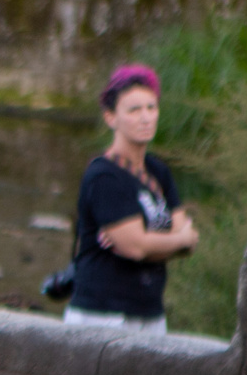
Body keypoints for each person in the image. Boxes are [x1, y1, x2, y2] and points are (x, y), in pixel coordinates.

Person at [65, 64, 197, 332]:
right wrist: (170, 241)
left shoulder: (158, 171)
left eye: (151, 107)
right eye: (134, 110)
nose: (146, 117)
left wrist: (158, 242)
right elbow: (135, 248)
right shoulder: (104, 176)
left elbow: (187, 241)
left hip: (149, 312)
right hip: (103, 314)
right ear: (111, 117)